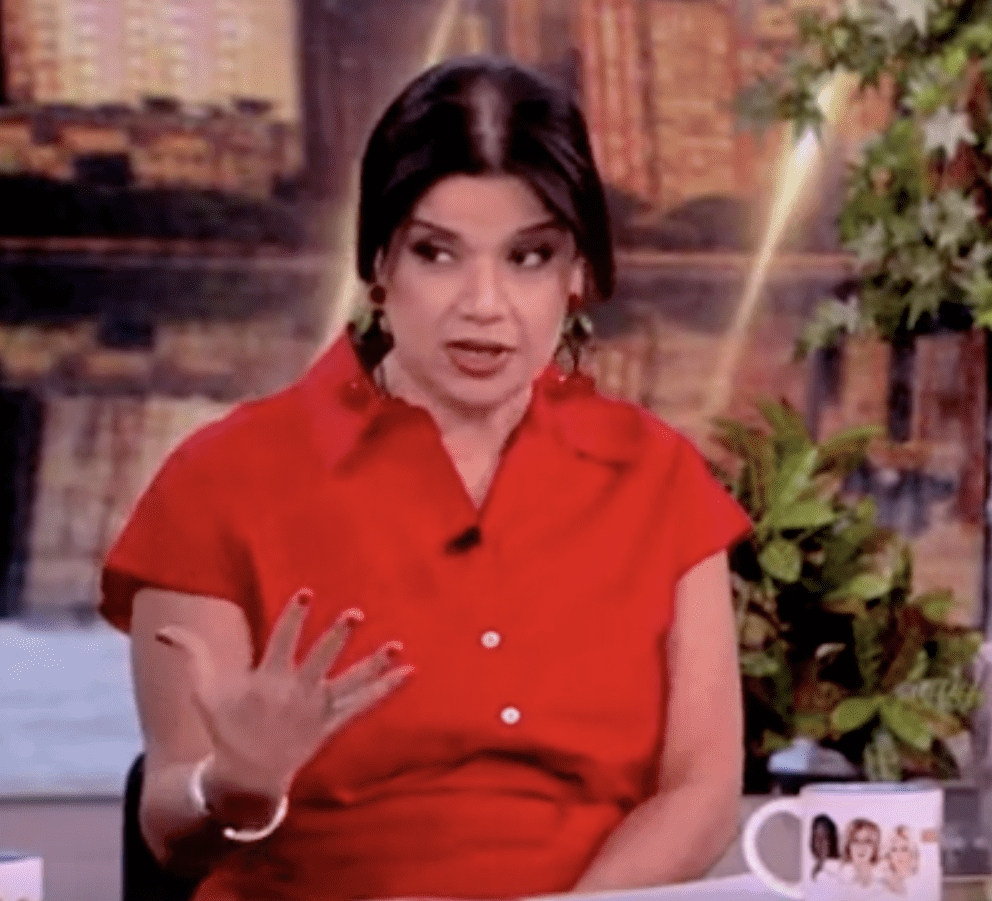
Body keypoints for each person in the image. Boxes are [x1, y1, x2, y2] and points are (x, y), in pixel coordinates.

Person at [103, 56, 751, 901]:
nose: (483, 303)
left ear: (577, 272)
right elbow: (170, 827)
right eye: (437, 253)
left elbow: (700, 790)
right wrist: (232, 787)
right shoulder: (219, 479)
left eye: (528, 257)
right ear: (379, 263)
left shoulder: (656, 474)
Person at [843, 819, 883, 888]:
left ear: (875, 847)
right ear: (848, 846)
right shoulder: (839, 883)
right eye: (856, 841)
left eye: (867, 841)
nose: (861, 847)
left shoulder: (882, 886)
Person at [811, 815, 844, 886]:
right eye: (816, 837)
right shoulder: (816, 869)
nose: (819, 843)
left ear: (832, 841)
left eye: (824, 838)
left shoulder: (839, 870)